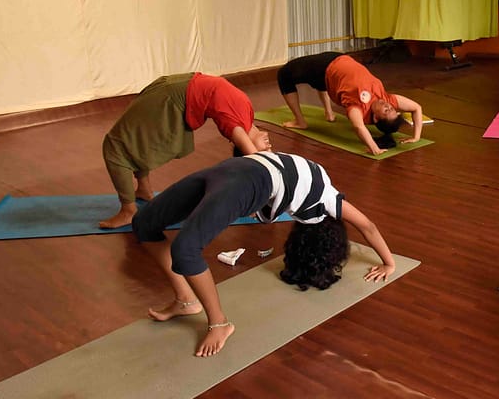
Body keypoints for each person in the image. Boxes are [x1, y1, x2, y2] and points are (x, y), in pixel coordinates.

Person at [131, 149, 397, 357]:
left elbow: (366, 226)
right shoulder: (328, 200)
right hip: (245, 176)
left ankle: (214, 319)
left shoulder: (318, 190)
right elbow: (367, 226)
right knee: (151, 228)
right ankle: (197, 308)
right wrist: (389, 263)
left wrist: (388, 262)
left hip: (234, 169)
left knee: (179, 245)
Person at [100, 72, 271, 229]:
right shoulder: (246, 117)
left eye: (266, 151)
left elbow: (256, 166)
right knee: (133, 138)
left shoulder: (233, 125)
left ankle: (129, 210)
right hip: (172, 89)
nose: (270, 147)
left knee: (116, 144)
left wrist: (256, 203)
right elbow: (257, 162)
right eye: (269, 150)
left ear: (245, 147)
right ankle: (142, 192)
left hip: (173, 96)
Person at [276, 52, 425, 156]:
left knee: (284, 74)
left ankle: (300, 121)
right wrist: (416, 136)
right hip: (340, 61)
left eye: (386, 111)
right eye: (391, 108)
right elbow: (416, 108)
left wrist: (374, 148)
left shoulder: (357, 108)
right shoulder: (386, 98)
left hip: (326, 67)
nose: (388, 106)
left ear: (376, 119)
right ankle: (329, 113)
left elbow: (358, 126)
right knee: (324, 82)